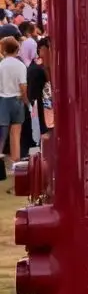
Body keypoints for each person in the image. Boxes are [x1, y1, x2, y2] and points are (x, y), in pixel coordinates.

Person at [0, 36, 27, 186]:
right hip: (17, 100)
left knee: (1, 136)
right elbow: (23, 86)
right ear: (16, 49)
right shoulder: (20, 65)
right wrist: (25, 100)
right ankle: (16, 167)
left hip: (3, 99)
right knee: (15, 135)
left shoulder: (1, 65)